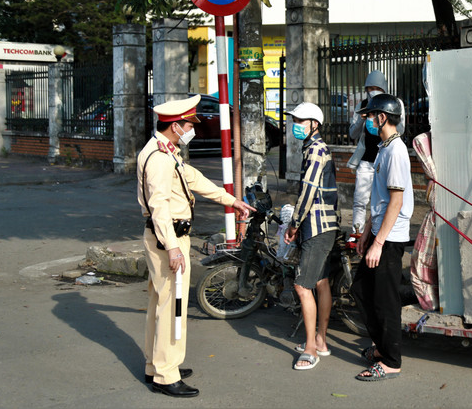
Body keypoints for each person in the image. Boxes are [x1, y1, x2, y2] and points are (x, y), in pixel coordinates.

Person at [137, 95, 255, 397]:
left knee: (160, 303)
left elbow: (196, 180)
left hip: (166, 237)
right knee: (171, 305)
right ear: (176, 126)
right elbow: (159, 206)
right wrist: (173, 247)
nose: (193, 129)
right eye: (189, 124)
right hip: (168, 239)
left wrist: (232, 201)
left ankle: (157, 365)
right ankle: (166, 374)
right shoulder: (159, 160)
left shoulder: (167, 152)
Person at [350, 93, 413, 381]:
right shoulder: (384, 148)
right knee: (362, 290)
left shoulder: (396, 151)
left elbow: (396, 202)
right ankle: (380, 347)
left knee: (385, 301)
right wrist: (366, 232)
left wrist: (378, 242)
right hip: (378, 233)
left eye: (371, 117)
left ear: (382, 118)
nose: (369, 122)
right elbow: (378, 199)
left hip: (390, 237)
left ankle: (390, 361)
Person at [283, 102, 340, 371]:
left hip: (316, 226)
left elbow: (307, 192)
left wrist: (294, 223)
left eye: (300, 120)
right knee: (321, 281)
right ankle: (321, 340)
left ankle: (310, 350)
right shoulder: (314, 148)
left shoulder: (315, 150)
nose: (295, 124)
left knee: (302, 286)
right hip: (324, 226)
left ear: (314, 124)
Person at [347, 70, 405, 234]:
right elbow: (352, 134)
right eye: (369, 88)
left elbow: (401, 130)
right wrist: (363, 118)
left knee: (382, 200)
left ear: (383, 88)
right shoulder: (363, 105)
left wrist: (386, 115)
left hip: (385, 158)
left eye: (376, 87)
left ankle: (378, 232)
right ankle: (357, 233)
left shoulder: (394, 103)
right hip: (366, 160)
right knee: (360, 200)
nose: (372, 91)